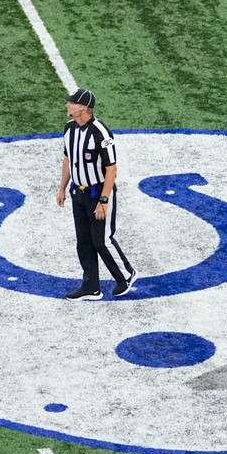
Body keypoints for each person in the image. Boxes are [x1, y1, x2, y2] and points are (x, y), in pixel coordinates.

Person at [56, 88, 137, 300]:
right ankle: (91, 286)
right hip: (78, 192)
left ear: (83, 107)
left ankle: (126, 275)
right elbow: (68, 159)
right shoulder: (69, 129)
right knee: (83, 241)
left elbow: (111, 169)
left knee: (102, 240)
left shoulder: (101, 132)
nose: (67, 105)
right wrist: (62, 187)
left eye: (71, 103)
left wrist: (104, 200)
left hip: (98, 193)